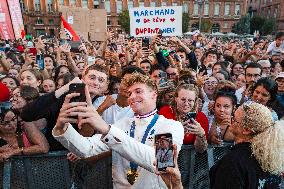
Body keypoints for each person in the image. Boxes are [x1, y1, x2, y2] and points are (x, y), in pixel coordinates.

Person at [52, 73, 184, 188]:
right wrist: (62, 128)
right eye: (129, 93)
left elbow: (161, 162)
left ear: (154, 94)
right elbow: (87, 149)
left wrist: (107, 130)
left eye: (138, 91)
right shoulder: (122, 124)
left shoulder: (170, 125)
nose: (132, 96)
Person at [210, 102, 284, 189]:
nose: (230, 120)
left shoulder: (233, 162)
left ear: (246, 130)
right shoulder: (271, 158)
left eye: (234, 119)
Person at [159, 84, 208, 153]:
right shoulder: (165, 112)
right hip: (169, 158)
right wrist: (176, 132)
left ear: (195, 101)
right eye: (183, 99)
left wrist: (201, 134)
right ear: (176, 98)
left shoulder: (201, 117)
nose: (186, 103)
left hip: (191, 160)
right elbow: (160, 145)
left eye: (190, 100)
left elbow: (200, 150)